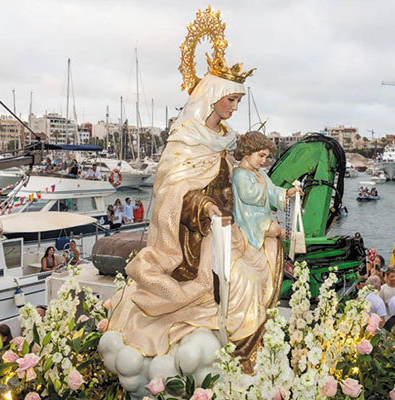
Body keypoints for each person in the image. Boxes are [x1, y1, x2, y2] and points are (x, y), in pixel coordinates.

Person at [106, 57, 281, 372]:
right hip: (195, 237)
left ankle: (250, 347)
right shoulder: (186, 139)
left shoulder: (227, 140)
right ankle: (242, 356)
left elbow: (240, 184)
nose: (235, 107)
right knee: (241, 279)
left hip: (228, 227)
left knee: (269, 254)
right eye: (232, 99)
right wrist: (204, 206)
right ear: (213, 96)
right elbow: (170, 192)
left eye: (239, 100)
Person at [232, 130, 301, 248]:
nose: (264, 161)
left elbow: (271, 190)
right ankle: (281, 233)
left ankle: (282, 232)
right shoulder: (239, 174)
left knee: (274, 227)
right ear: (247, 153)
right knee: (275, 229)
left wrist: (287, 194)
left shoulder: (259, 173)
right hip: (248, 217)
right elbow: (247, 195)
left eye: (266, 157)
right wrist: (262, 185)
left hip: (261, 215)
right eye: (261, 156)